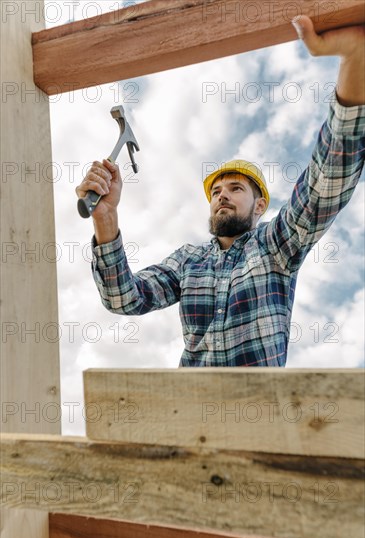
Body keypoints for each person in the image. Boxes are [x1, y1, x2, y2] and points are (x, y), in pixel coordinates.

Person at [76, 16, 365, 367]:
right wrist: (106, 218)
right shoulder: (188, 262)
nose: (221, 196)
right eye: (216, 192)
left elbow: (325, 183)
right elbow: (124, 299)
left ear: (260, 206)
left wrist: (354, 61)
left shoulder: (276, 245)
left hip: (258, 414)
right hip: (190, 415)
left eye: (235, 188)